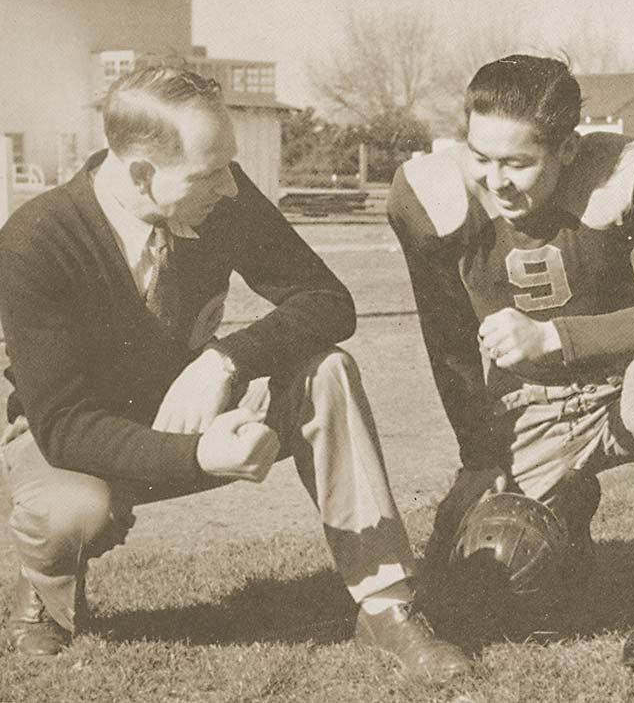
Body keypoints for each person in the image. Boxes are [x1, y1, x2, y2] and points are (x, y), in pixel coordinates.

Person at [0, 64, 470, 682]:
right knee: (73, 512)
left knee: (327, 369)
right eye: (209, 173)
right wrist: (200, 456)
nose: (229, 186)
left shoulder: (217, 193)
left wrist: (225, 361)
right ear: (141, 175)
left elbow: (329, 301)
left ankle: (386, 607)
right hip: (80, 444)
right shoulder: (35, 239)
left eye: (229, 165)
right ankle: (48, 595)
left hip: (194, 414)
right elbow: (63, 425)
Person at [387, 55, 634, 673]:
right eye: (481, 156)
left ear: (568, 148)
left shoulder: (626, 173)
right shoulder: (430, 195)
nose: (496, 180)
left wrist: (556, 338)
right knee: (475, 589)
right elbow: (450, 344)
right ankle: (570, 522)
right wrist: (479, 454)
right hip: (531, 405)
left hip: (628, 379)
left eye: (518, 163)